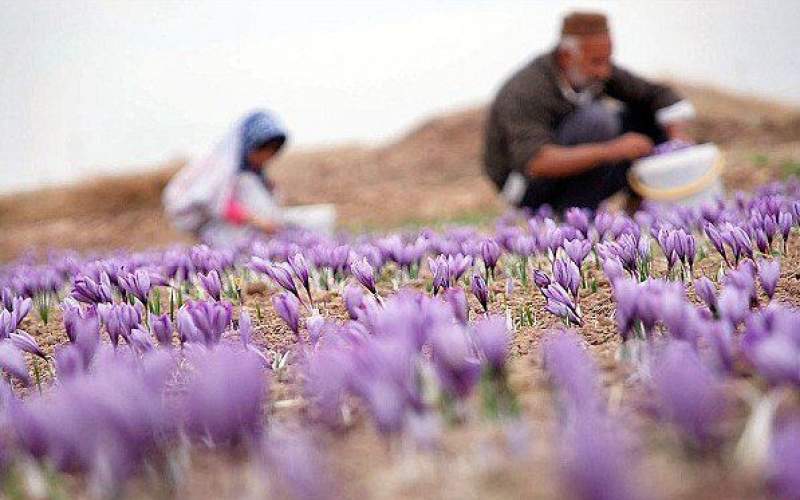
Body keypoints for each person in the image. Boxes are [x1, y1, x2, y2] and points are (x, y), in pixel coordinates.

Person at [483, 11, 696, 213]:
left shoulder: (593, 70)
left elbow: (656, 94)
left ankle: (639, 211)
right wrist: (614, 150)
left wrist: (676, 140)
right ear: (567, 56)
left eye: (607, 59)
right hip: (523, 186)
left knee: (648, 118)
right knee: (598, 120)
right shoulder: (527, 89)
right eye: (596, 61)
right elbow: (537, 162)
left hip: (572, 167)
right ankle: (570, 218)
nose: (604, 71)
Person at [163, 110, 288, 247]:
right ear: (251, 143)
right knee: (247, 184)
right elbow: (218, 202)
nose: (268, 157)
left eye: (274, 152)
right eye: (266, 151)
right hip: (211, 225)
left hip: (228, 228)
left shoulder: (248, 168)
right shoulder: (222, 165)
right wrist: (257, 221)